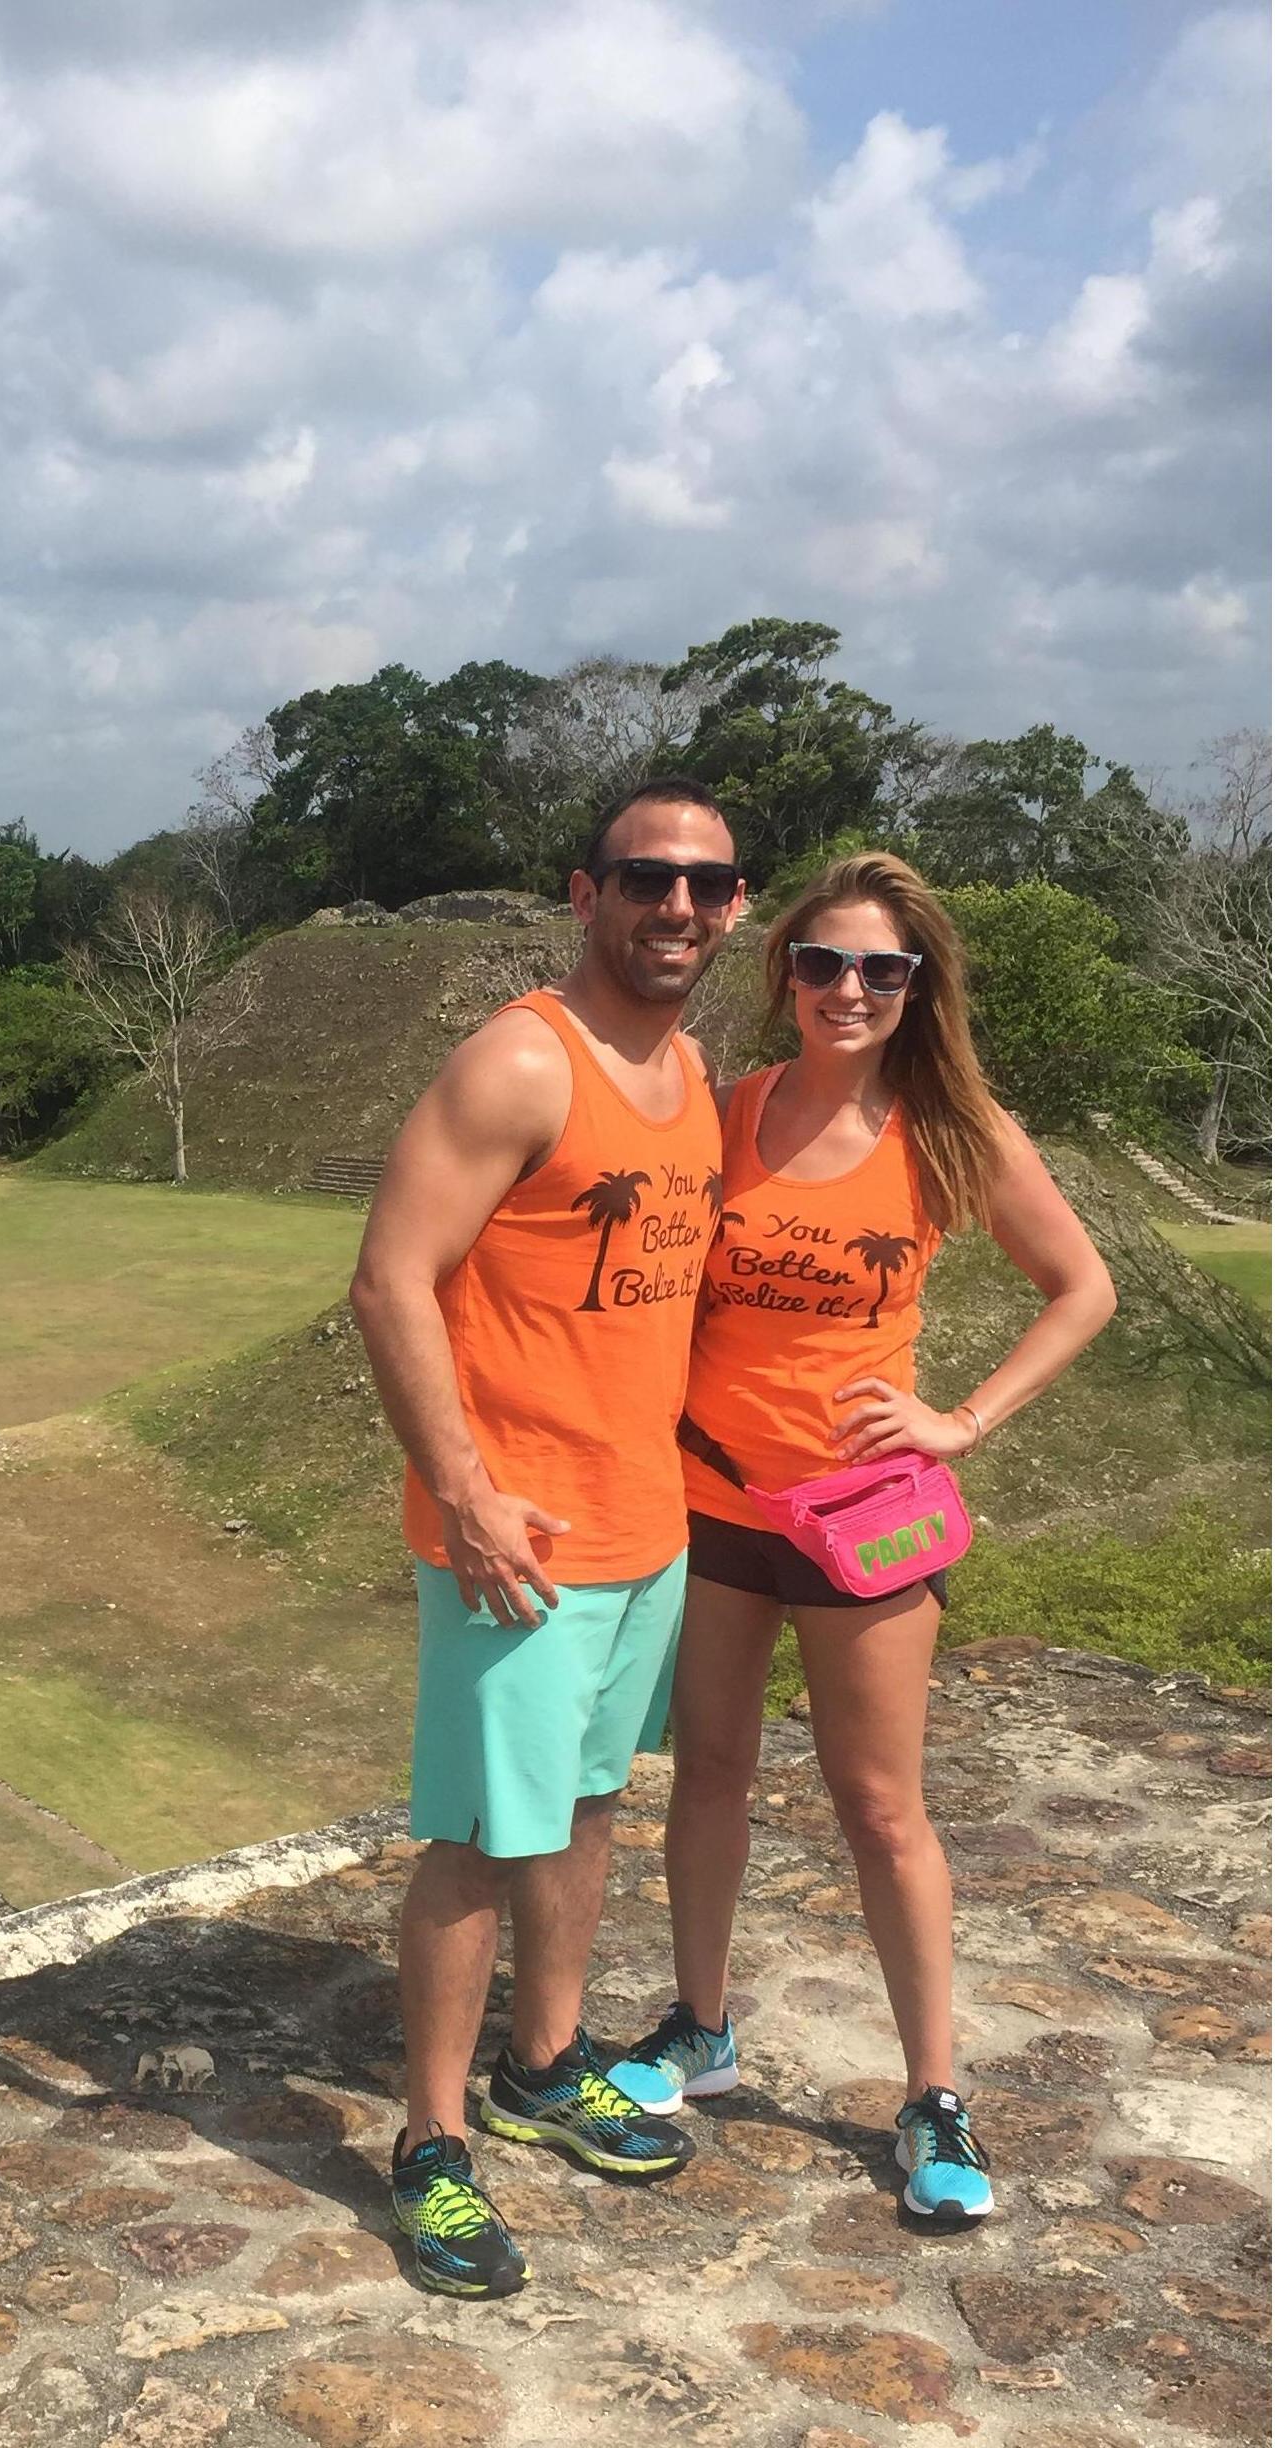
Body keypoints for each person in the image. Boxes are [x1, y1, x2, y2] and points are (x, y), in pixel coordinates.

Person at [604, 851, 1116, 2227]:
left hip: (865, 1523)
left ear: (916, 986)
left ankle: (933, 2094)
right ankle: (699, 2029)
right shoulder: (732, 1113)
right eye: (824, 962)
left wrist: (965, 1419)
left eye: (882, 968)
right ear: (783, 976)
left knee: (881, 1807)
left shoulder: (953, 1135)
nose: (850, 989)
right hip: (715, 1499)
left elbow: (1082, 1287)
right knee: (707, 1771)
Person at [349, 778, 747, 2299]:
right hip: (514, 1532)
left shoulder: (690, 1065)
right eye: (648, 878)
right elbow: (392, 1282)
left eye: (709, 885)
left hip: (643, 1518)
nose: (680, 909)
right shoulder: (524, 1062)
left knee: (583, 1804)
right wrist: (461, 1490)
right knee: (473, 1835)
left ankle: (546, 2059)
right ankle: (431, 2143)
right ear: (586, 895)